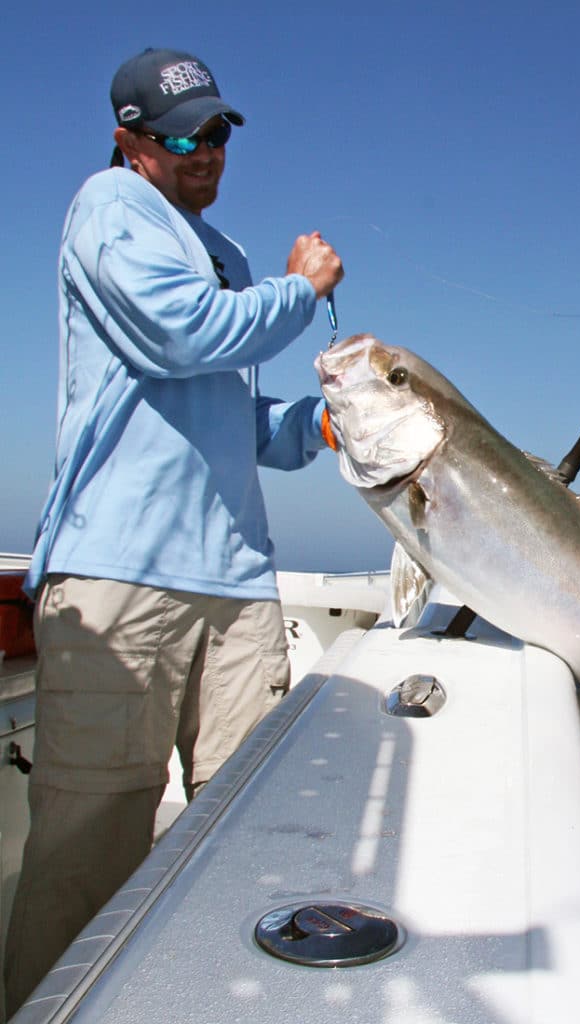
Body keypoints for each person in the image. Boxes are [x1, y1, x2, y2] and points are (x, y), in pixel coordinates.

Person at [4, 48, 344, 1014]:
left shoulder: (225, 256)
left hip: (235, 585)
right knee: (88, 848)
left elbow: (231, 418)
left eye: (220, 131)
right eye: (184, 136)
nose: (208, 151)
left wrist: (316, 423)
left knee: (247, 826)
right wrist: (303, 291)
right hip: (122, 578)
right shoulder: (109, 211)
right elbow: (183, 333)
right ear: (130, 141)